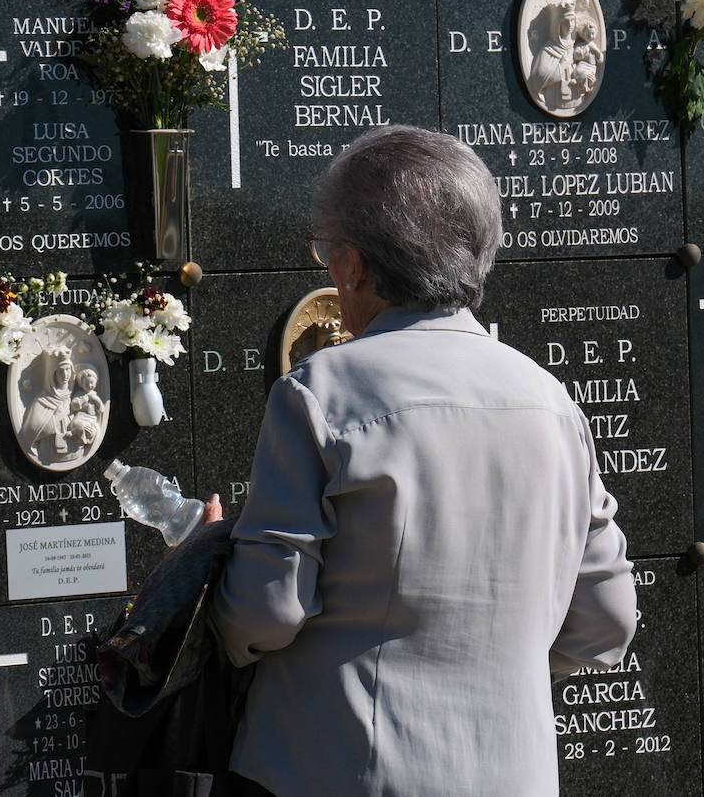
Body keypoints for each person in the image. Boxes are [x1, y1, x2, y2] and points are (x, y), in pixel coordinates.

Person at [206, 124, 637, 797]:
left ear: (354, 266)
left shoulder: (321, 393)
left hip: (339, 770)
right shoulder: (552, 404)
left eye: (329, 255)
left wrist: (203, 570)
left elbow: (269, 610)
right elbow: (608, 618)